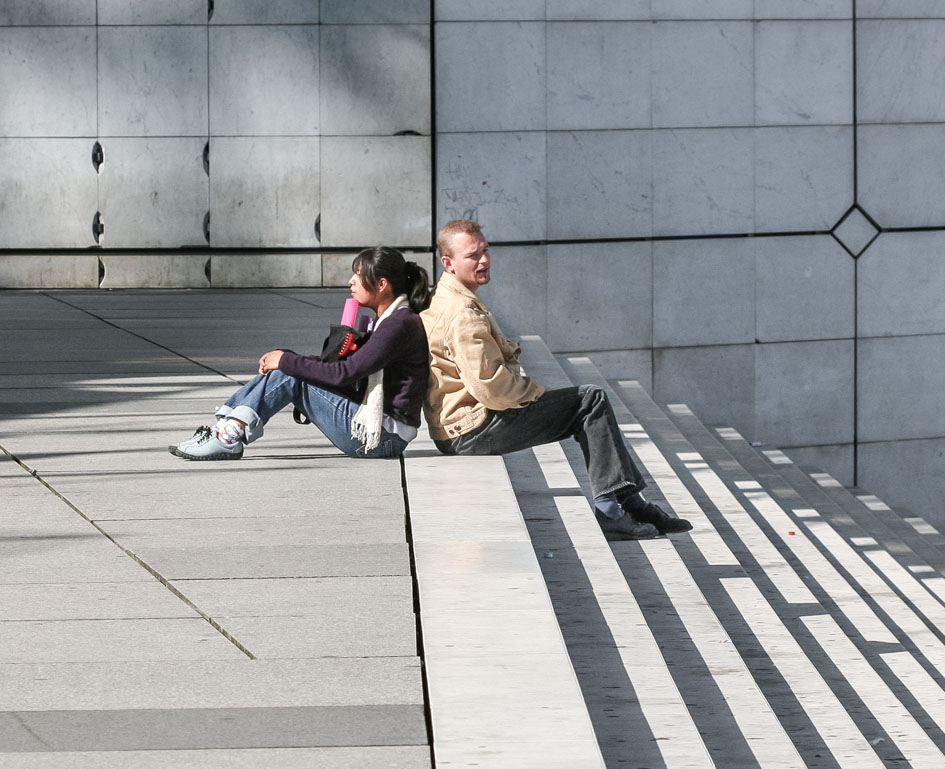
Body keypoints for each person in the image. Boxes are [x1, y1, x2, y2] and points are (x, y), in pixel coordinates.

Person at [422, 219, 691, 540]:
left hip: (461, 426)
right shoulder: (462, 313)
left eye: (486, 250)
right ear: (448, 263)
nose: (484, 260)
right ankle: (613, 508)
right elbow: (491, 388)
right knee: (589, 400)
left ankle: (628, 502)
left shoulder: (447, 299)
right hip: (471, 431)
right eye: (472, 255)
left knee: (586, 402)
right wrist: (537, 393)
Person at [170, 247, 431, 461]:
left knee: (290, 372)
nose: (351, 281)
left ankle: (228, 436)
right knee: (287, 367)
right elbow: (345, 368)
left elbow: (345, 374)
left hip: (383, 438)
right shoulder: (390, 320)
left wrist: (286, 361)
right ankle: (226, 429)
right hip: (377, 432)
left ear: (382, 284)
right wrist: (287, 357)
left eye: (359, 275)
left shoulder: (399, 324)